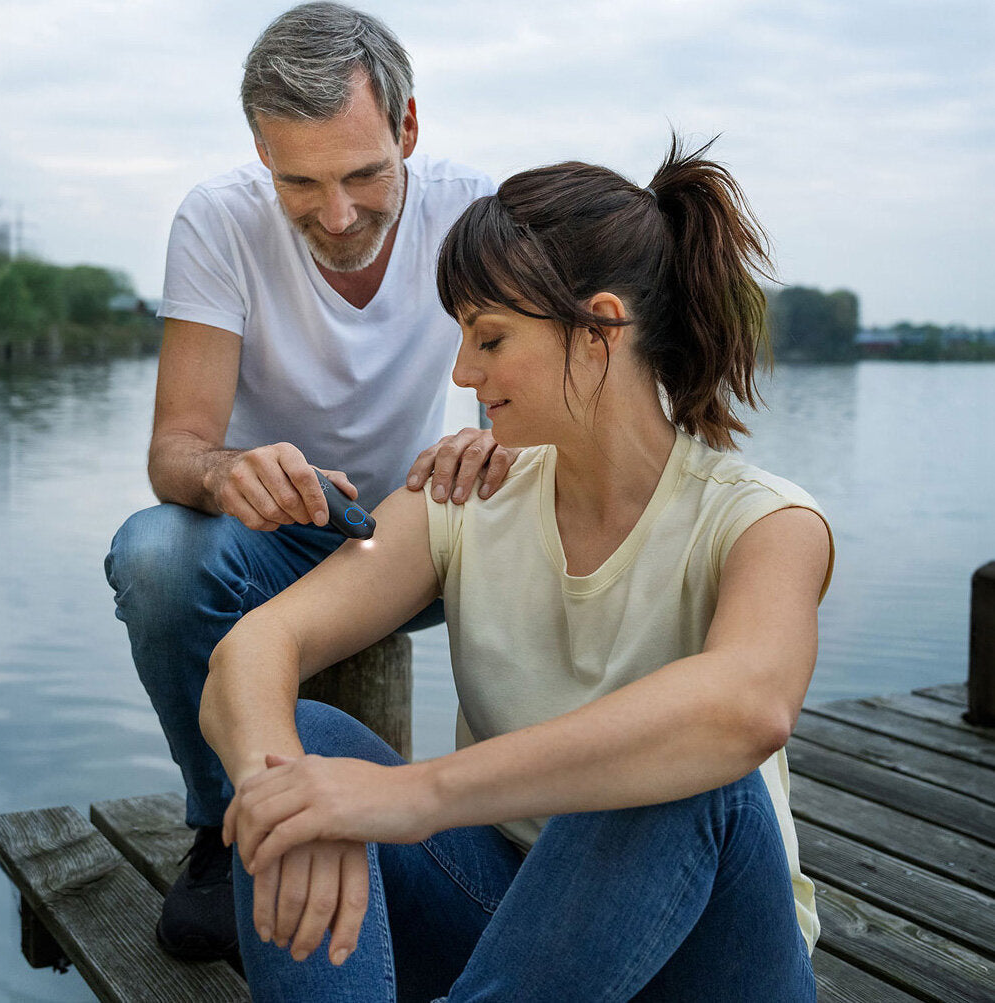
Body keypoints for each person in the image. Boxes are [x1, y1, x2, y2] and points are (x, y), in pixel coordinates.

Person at [201, 136, 834, 1002]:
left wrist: (414, 795)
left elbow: (746, 707)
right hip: (514, 939)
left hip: (709, 962)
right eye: (462, 336)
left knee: (689, 769)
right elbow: (254, 646)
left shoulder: (764, 521)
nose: (464, 371)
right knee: (298, 753)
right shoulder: (463, 493)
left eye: (489, 337)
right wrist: (295, 803)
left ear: (600, 329)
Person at [104, 1, 514, 963]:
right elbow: (176, 450)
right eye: (299, 182)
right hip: (276, 540)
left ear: (408, 127)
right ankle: (224, 827)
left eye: (365, 173)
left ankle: (516, 820)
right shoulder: (216, 221)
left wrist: (486, 456)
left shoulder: (474, 208)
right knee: (155, 553)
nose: (337, 216)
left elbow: (521, 419)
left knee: (553, 538)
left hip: (418, 536)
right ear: (259, 152)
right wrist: (227, 471)